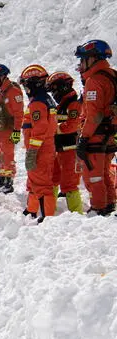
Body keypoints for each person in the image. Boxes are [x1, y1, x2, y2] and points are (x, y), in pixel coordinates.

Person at [74, 39, 117, 215]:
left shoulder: (95, 80)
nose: (80, 64)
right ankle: (109, 204)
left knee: (94, 175)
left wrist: (83, 138)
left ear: (92, 59)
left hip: (96, 135)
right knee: (105, 173)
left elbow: (94, 115)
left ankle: (99, 208)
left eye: (83, 59)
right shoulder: (113, 75)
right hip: (110, 134)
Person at [19, 65, 57, 222]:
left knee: (41, 184)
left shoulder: (37, 103)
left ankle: (47, 217)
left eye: (26, 85)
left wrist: (33, 150)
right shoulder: (46, 99)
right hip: (45, 147)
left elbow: (40, 128)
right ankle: (32, 209)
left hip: (40, 149)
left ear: (34, 84)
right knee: (34, 181)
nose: (25, 89)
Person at [46, 71, 84, 213]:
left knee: (69, 184)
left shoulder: (74, 103)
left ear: (62, 87)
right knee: (53, 178)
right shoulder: (62, 103)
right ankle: (49, 210)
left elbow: (72, 125)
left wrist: (53, 129)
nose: (53, 93)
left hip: (71, 149)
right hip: (59, 148)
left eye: (54, 89)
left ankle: (77, 215)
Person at [0, 64, 25, 193]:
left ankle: (9, 181)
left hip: (9, 129)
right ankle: (2, 178)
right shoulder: (1, 91)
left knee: (8, 155)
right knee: (0, 154)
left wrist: (17, 131)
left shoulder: (13, 92)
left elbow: (19, 114)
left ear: (2, 77)